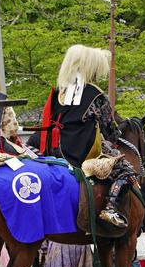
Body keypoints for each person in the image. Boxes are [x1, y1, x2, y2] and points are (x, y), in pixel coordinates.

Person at [35, 44, 138, 227]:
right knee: (127, 171)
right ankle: (110, 209)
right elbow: (110, 132)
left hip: (56, 150)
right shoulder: (95, 94)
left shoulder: (58, 92)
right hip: (84, 153)